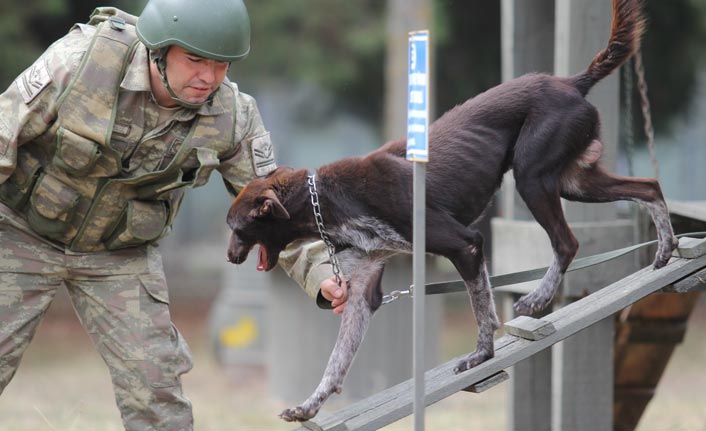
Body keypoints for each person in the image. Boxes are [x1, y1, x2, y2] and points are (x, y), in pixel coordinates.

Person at [0, 1, 347, 429]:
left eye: (222, 64)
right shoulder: (80, 62)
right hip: (20, 233)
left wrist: (322, 275)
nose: (209, 77)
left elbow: (272, 209)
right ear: (158, 51)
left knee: (157, 390)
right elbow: (3, 136)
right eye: (195, 59)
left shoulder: (232, 116)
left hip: (119, 255)